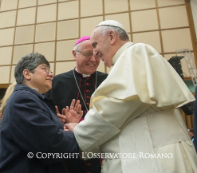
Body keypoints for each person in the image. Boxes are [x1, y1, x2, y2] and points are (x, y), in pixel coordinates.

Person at [65, 20, 197, 173]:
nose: (94, 53)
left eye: (95, 45)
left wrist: (80, 130)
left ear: (112, 37)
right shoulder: (127, 60)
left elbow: (114, 107)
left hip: (154, 156)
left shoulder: (136, 52)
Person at [0, 53, 81, 173]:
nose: (51, 74)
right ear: (27, 74)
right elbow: (50, 144)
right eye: (45, 69)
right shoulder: (23, 99)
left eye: (50, 70)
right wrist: (74, 130)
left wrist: (63, 125)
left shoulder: (34, 99)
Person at [45, 36, 108, 173]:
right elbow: (44, 119)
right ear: (75, 54)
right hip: (68, 158)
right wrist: (57, 122)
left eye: (97, 55)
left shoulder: (108, 81)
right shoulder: (56, 83)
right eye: (87, 54)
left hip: (103, 155)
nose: (93, 59)